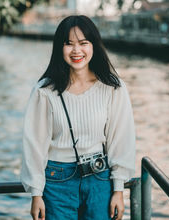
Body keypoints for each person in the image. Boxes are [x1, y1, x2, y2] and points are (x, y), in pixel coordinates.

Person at [20, 15, 135, 220]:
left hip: (100, 181)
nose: (76, 51)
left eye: (83, 43)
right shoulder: (45, 90)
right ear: (59, 48)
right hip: (57, 183)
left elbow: (121, 140)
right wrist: (36, 193)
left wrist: (118, 190)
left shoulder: (113, 87)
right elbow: (34, 145)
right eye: (69, 44)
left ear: (93, 46)